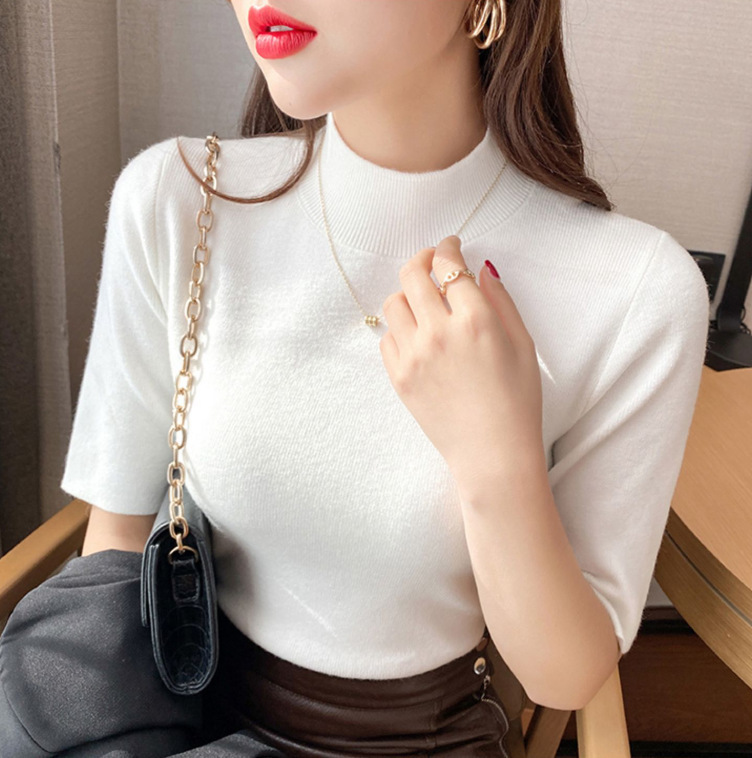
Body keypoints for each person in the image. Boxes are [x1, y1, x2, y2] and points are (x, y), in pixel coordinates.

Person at [59, 0, 711, 756]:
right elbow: (114, 542)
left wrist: (496, 458)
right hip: (183, 714)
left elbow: (564, 679)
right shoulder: (179, 200)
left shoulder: (634, 291)